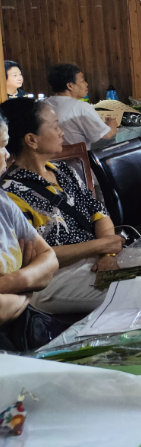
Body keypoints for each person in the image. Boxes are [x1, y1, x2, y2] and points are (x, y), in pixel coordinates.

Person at [0, 97, 123, 314]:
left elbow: (98, 212)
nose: (61, 132)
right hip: (55, 278)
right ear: (31, 140)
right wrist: (102, 246)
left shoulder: (62, 171)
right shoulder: (11, 192)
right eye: (55, 125)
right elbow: (37, 255)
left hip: (97, 261)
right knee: (136, 293)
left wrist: (107, 255)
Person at [0, 106, 59, 352]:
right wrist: (28, 289)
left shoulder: (2, 201)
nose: (6, 155)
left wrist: (20, 280)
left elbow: (49, 258)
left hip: (23, 329)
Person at [44, 63, 118, 150]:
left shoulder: (43, 104)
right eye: (82, 80)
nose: (86, 84)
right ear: (70, 86)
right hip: (77, 161)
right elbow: (106, 135)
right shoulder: (81, 107)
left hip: (50, 162)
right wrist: (112, 125)